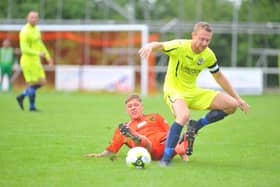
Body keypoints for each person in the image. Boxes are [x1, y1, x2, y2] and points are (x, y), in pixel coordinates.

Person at [138, 22, 250, 166]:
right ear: (193, 35)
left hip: (193, 92)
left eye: (207, 40)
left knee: (232, 105)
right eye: (201, 39)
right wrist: (150, 46)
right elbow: (160, 45)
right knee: (183, 116)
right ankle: (165, 159)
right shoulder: (179, 46)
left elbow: (219, 76)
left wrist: (238, 98)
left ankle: (196, 126)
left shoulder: (208, 55)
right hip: (174, 90)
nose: (204, 43)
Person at [84, 94, 189, 161]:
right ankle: (136, 137)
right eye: (130, 106)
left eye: (136, 105)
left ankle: (184, 143)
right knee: (145, 141)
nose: (133, 108)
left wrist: (184, 158)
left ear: (142, 107)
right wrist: (99, 155)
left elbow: (172, 133)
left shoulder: (155, 117)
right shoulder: (124, 128)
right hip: (149, 150)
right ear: (127, 110)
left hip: (166, 145)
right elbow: (112, 149)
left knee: (182, 136)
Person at [16, 11, 53, 111]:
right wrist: (38, 53)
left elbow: (40, 44)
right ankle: (32, 107)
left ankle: (22, 96)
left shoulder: (37, 30)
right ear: (27, 18)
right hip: (27, 62)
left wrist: (48, 56)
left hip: (36, 61)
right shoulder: (24, 31)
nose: (34, 19)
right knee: (32, 84)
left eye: (36, 17)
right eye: (32, 17)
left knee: (43, 82)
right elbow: (24, 49)